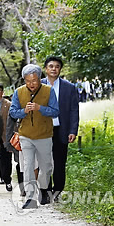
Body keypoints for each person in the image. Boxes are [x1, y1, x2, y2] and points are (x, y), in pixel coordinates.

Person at [9, 64, 59, 209]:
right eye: (28, 81)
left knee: (47, 167)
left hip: (44, 135)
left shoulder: (49, 91)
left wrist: (40, 108)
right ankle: (31, 198)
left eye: (34, 80)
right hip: (26, 136)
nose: (31, 84)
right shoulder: (19, 92)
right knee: (28, 166)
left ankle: (43, 188)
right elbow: (13, 112)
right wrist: (24, 111)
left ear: (40, 79)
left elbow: (55, 111)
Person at [42, 57, 79, 201]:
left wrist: (73, 130)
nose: (53, 69)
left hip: (61, 129)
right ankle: (45, 191)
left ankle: (56, 191)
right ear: (46, 69)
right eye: (50, 66)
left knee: (59, 162)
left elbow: (74, 110)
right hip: (43, 130)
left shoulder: (69, 87)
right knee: (44, 162)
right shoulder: (38, 85)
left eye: (57, 66)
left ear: (60, 69)